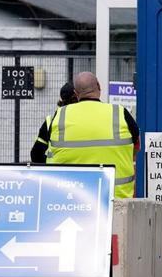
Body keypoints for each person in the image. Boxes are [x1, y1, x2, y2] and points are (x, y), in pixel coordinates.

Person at [45, 71, 139, 199]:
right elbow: (136, 147)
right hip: (115, 198)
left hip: (71, 198)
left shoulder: (60, 115)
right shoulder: (120, 113)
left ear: (76, 93)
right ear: (99, 86)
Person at [31, 81, 77, 164]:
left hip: (57, 171)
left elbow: (36, 155)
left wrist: (52, 164)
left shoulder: (51, 121)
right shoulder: (85, 119)